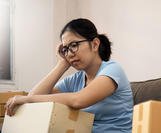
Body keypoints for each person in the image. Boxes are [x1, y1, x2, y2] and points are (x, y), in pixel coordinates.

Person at [5, 18, 133, 133]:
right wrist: (62, 65)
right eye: (65, 49)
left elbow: (78, 100)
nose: (69, 54)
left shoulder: (113, 70)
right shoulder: (76, 79)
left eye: (74, 45)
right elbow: (35, 98)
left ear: (94, 44)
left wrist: (26, 99)